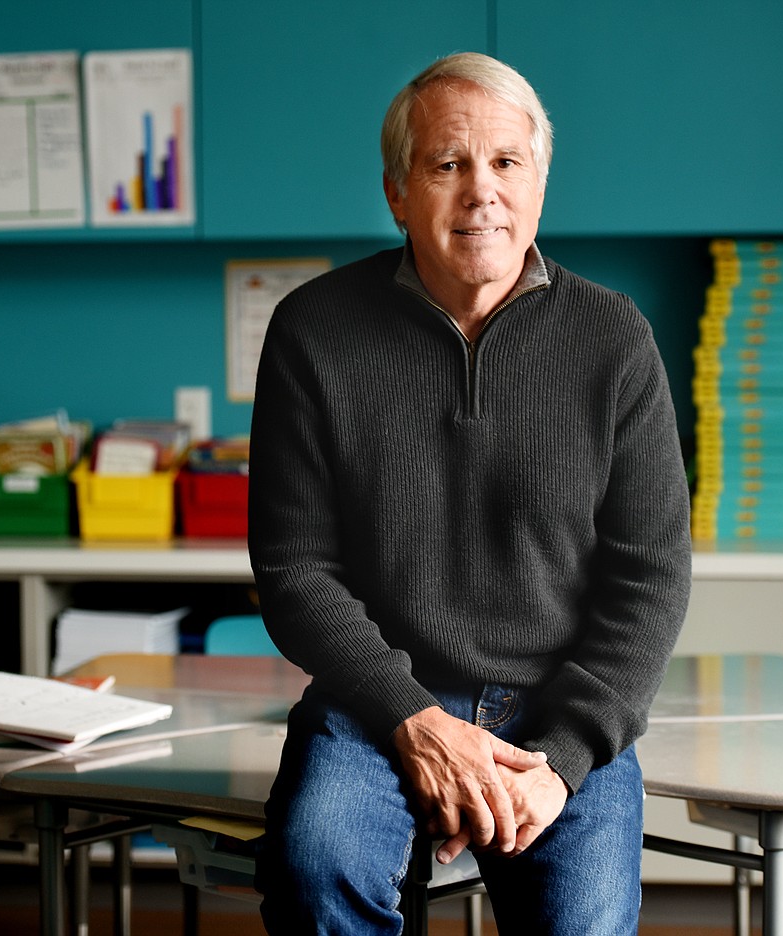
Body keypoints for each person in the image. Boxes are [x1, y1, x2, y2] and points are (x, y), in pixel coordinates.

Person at [247, 50, 692, 935]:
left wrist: (561, 761)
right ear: (398, 193)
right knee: (317, 866)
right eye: (448, 164)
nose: (481, 191)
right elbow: (296, 570)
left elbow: (650, 578)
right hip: (379, 701)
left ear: (540, 184)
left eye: (505, 162)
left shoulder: (615, 339)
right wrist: (415, 721)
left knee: (586, 923)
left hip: (559, 703)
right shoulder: (314, 330)